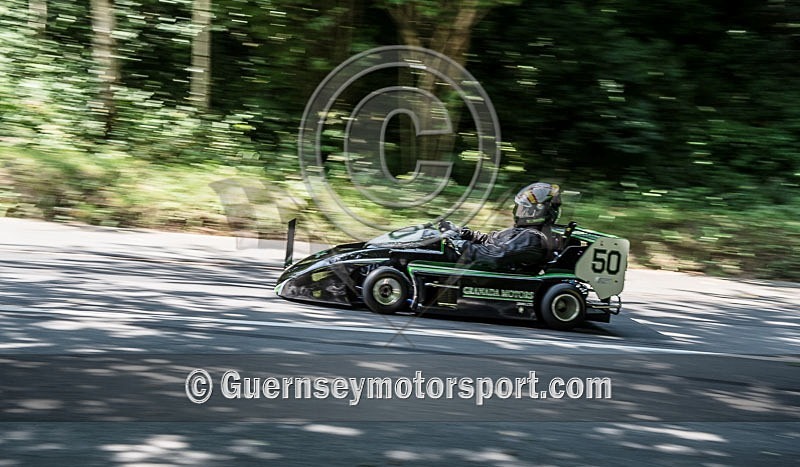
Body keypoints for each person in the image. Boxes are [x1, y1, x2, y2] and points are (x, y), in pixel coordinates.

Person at [439, 182, 562, 272]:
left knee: (429, 245)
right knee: (428, 237)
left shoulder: (532, 238)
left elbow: (495, 255)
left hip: (484, 273)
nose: (520, 212)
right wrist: (462, 233)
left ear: (537, 211)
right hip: (473, 263)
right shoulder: (526, 232)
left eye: (525, 209)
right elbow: (491, 240)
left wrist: (459, 244)